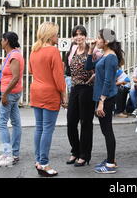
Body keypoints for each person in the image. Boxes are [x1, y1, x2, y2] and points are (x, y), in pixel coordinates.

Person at [29, 22, 68, 177]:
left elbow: (32, 70)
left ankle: (39, 161)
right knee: (47, 129)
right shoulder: (53, 51)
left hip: (36, 91)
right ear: (51, 35)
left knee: (39, 128)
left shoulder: (34, 50)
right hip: (50, 93)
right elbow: (59, 78)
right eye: (56, 34)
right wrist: (64, 95)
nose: (57, 36)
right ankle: (44, 163)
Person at [85, 28, 124, 174]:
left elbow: (109, 81)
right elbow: (88, 67)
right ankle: (111, 159)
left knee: (107, 130)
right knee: (105, 129)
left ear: (106, 41)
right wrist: (90, 50)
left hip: (106, 98)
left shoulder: (111, 57)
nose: (97, 40)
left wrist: (101, 101)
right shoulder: (104, 55)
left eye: (99, 38)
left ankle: (110, 164)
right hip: (101, 97)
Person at [65, 25, 95, 167]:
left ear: (85, 35)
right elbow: (68, 72)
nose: (79, 37)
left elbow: (100, 66)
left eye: (81, 34)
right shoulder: (72, 50)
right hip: (75, 88)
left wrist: (94, 76)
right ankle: (75, 151)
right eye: (76, 34)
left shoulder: (92, 49)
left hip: (87, 89)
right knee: (71, 122)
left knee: (86, 123)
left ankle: (84, 155)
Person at [0, 32, 24, 167]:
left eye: (2, 39)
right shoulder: (12, 54)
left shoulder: (14, 55)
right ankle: (15, 153)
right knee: (16, 122)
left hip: (10, 94)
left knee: (1, 123)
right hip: (13, 93)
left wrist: (5, 94)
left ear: (6, 41)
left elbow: (15, 77)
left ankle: (8, 155)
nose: (0, 42)